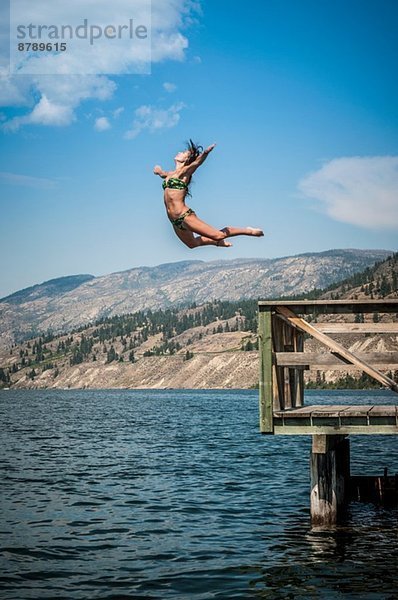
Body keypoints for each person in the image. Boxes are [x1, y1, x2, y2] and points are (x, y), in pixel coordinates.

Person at [153, 140, 264, 248]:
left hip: (183, 216)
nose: (179, 152)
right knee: (192, 244)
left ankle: (249, 230)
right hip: (174, 220)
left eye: (183, 153)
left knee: (219, 235)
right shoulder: (171, 174)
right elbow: (164, 174)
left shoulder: (185, 172)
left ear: (186, 160)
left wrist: (205, 153)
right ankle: (217, 243)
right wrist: (158, 171)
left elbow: (197, 163)